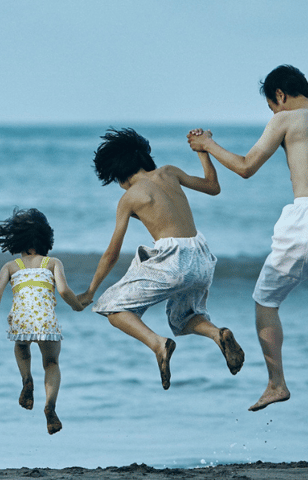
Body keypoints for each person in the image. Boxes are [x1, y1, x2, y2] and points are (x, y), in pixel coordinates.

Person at [187, 64, 308, 413]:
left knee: (265, 300)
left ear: (280, 96)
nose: (273, 112)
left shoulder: (286, 118)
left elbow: (245, 167)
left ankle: (276, 384)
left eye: (272, 105)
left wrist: (207, 144)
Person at [77, 128, 245, 392]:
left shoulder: (129, 197)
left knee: (110, 307)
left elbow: (112, 252)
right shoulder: (169, 172)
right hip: (201, 257)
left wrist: (90, 291)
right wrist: (202, 152)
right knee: (185, 317)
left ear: (117, 173)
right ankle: (218, 334)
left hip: (173, 261)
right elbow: (213, 187)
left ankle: (157, 343)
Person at [0, 208, 86, 435]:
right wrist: (77, 305)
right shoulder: (52, 263)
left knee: (22, 348)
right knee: (51, 363)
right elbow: (63, 290)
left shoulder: (11, 266)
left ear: (17, 240)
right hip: (45, 321)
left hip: (21, 321)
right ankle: (50, 407)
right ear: (45, 239)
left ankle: (26, 380)